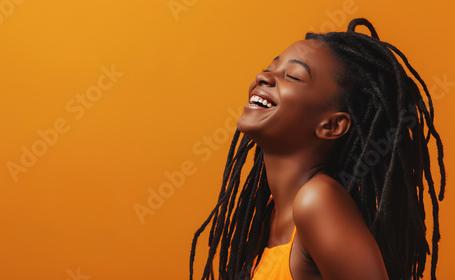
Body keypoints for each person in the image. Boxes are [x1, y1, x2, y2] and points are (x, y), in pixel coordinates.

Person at [189, 18, 446, 280]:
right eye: (270, 67)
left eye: (292, 76)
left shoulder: (317, 201)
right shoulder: (272, 215)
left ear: (332, 125)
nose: (263, 77)